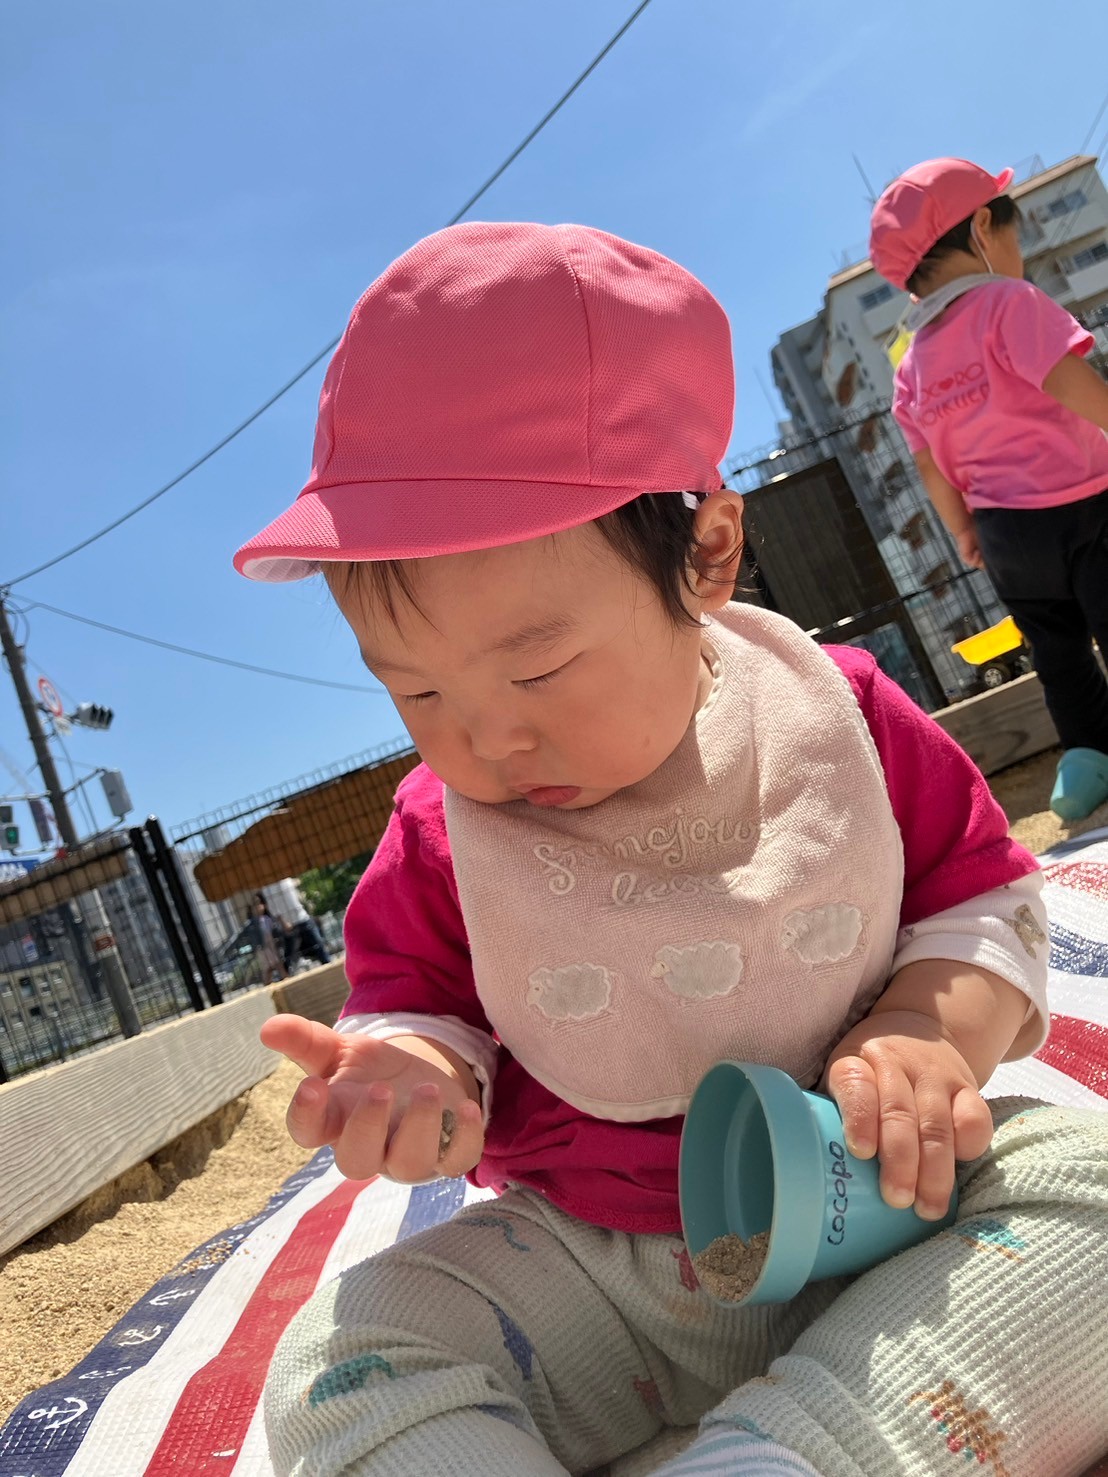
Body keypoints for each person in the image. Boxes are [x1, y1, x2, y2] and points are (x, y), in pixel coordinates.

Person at [235, 223, 1108, 1477]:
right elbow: (420, 1009)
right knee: (343, 1351)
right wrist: (413, 1081)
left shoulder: (834, 717)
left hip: (885, 1203)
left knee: (1083, 1180)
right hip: (606, 1278)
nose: (483, 738)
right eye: (414, 691)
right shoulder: (443, 834)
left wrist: (926, 1027)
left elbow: (984, 900)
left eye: (537, 667)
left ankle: (785, 1456)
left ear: (705, 553)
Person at [870, 157, 1108, 821]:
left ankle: (1087, 763)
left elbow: (928, 465)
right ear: (982, 229)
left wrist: (964, 531)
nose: (1017, 253)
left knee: (1057, 653)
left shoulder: (911, 364)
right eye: (1014, 236)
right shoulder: (1008, 302)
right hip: (1085, 500)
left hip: (1003, 532)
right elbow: (1071, 385)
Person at [248, 892, 287, 986]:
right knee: (269, 968)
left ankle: (285, 980)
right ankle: (283, 981)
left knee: (275, 966)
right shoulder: (253, 923)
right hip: (263, 948)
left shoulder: (267, 919)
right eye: (255, 904)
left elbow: (273, 932)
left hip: (271, 946)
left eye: (259, 903)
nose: (257, 907)